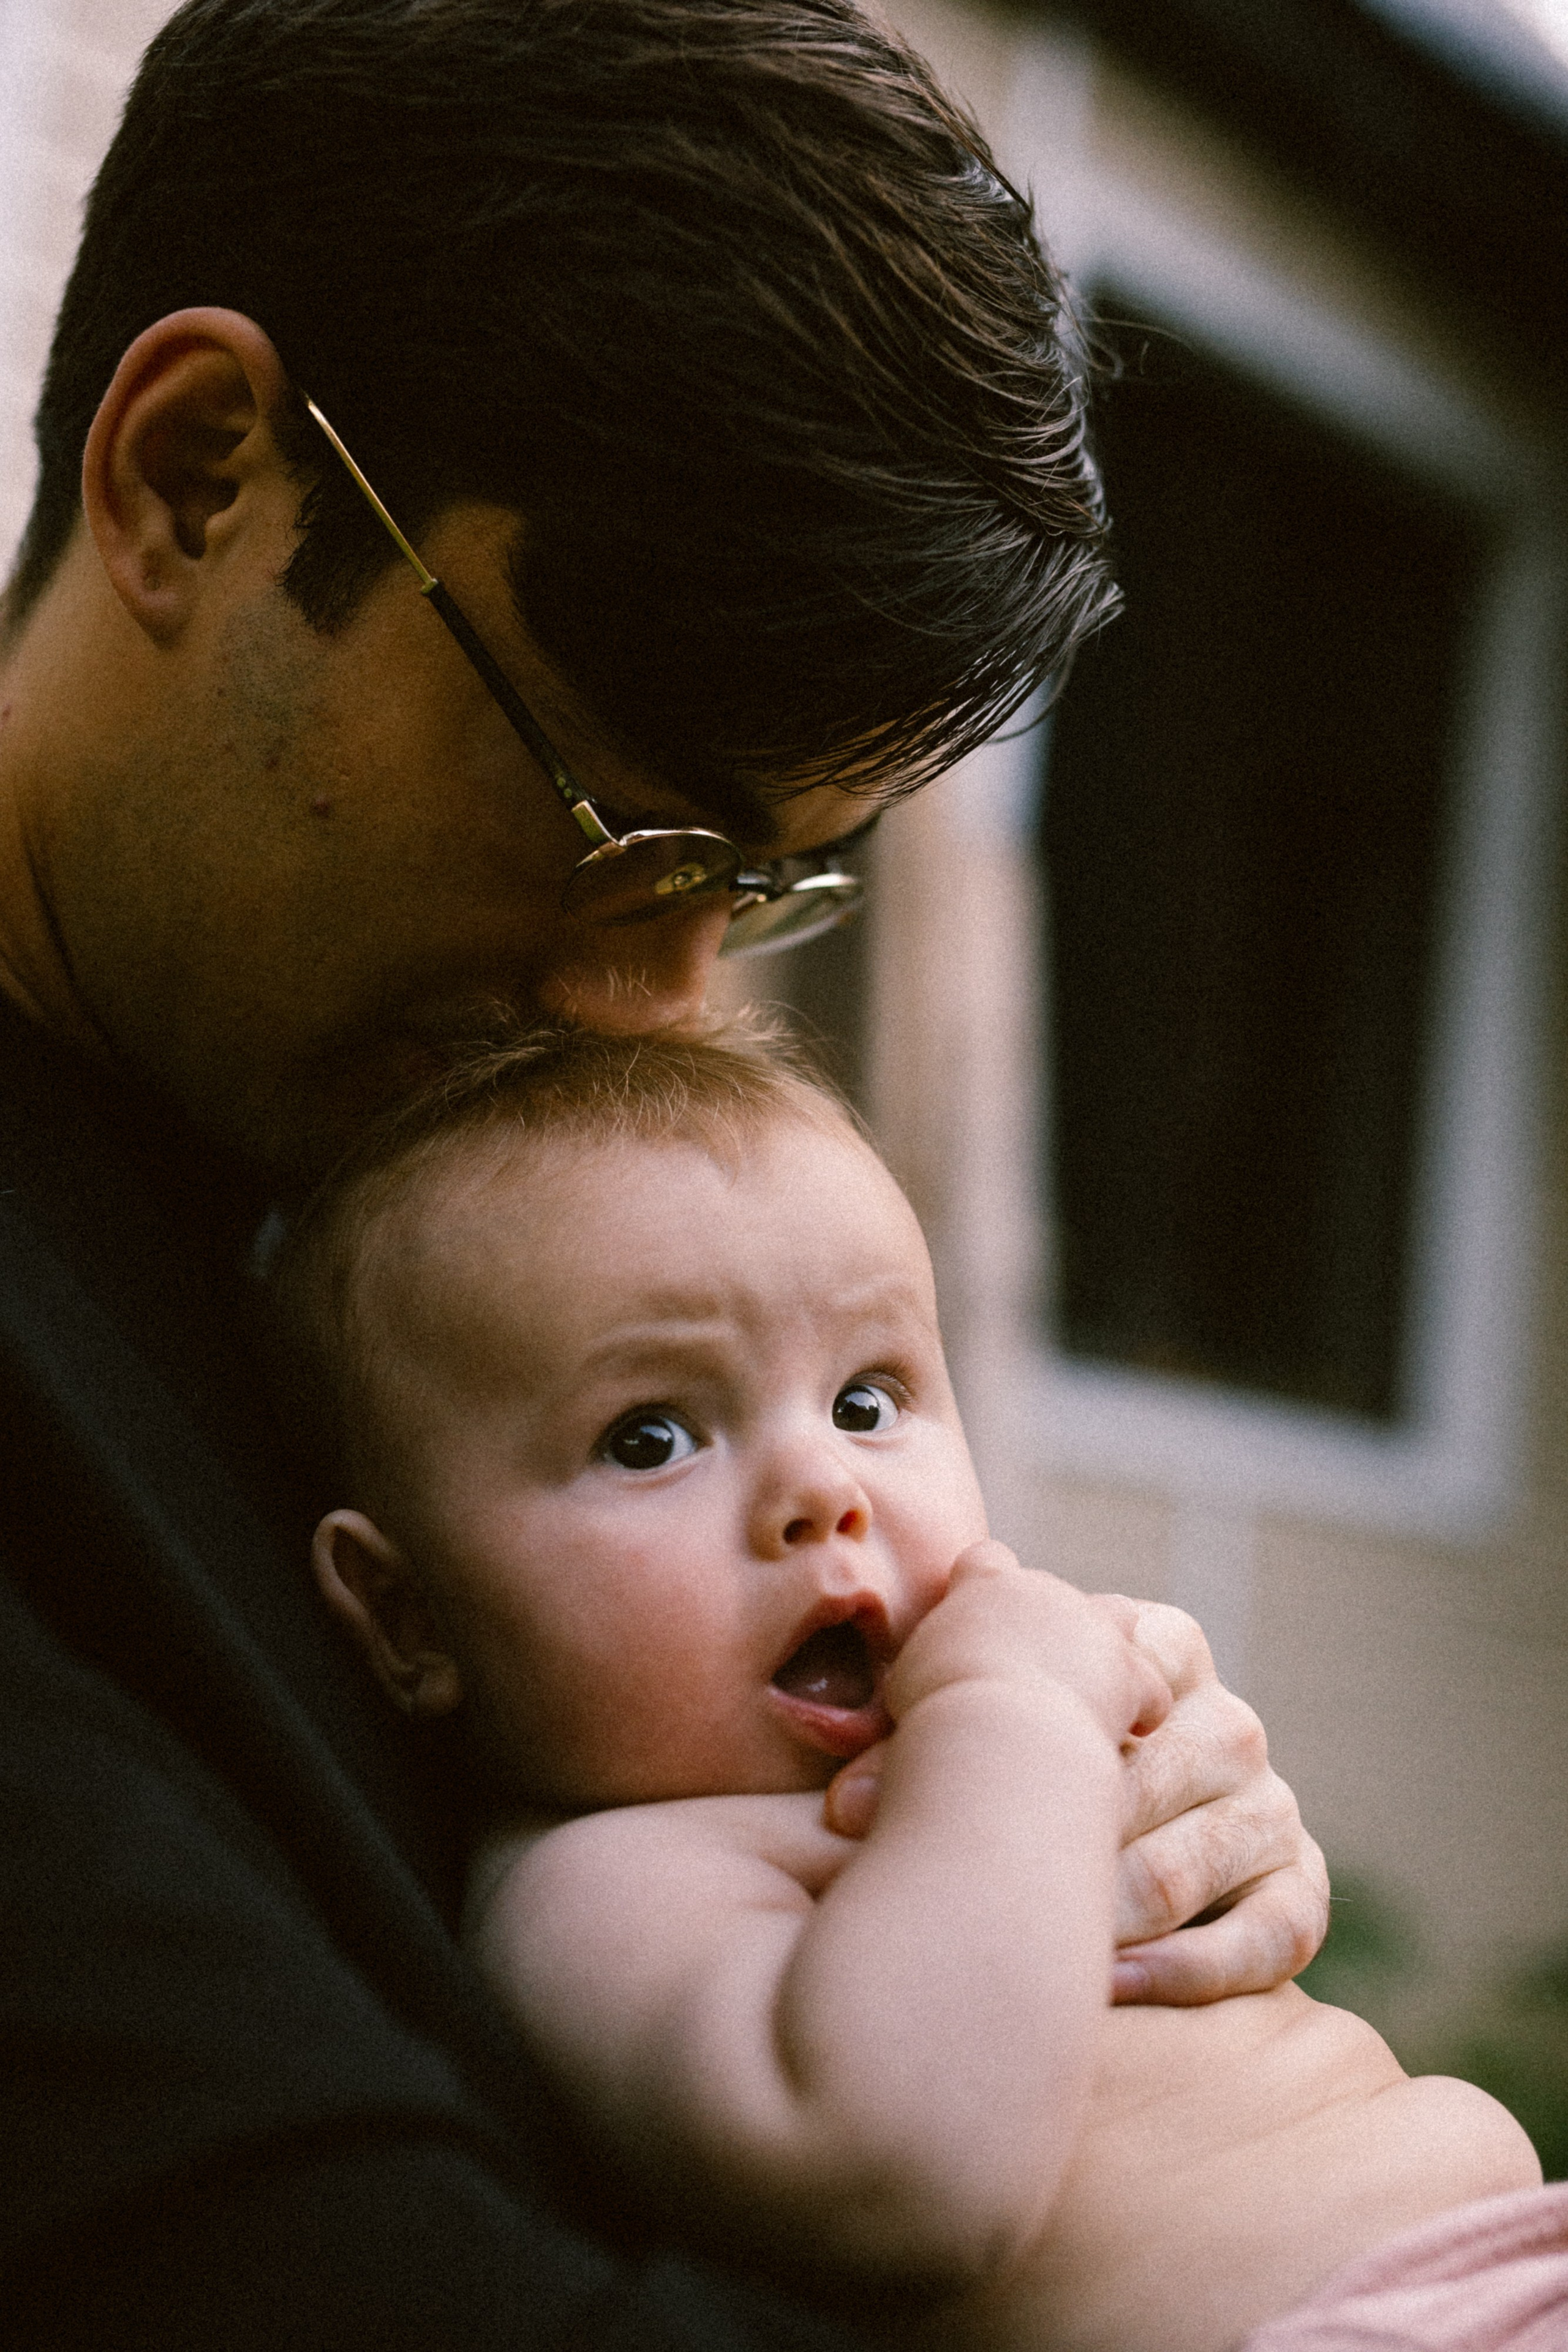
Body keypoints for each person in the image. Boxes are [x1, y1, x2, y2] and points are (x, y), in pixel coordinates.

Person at [0, 0, 1329, 2342]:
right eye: (618, 823)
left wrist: (1099, 1846)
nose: (648, 1005)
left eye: (762, 886)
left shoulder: (424, 1215)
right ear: (198, 477)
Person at [266, 1023, 1538, 2352]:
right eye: (650, 1436)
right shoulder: (610, 1881)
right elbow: (898, 2178)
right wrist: (1017, 1713)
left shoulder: (967, 1729)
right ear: (410, 1619)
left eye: (867, 1401)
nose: (824, 1487)